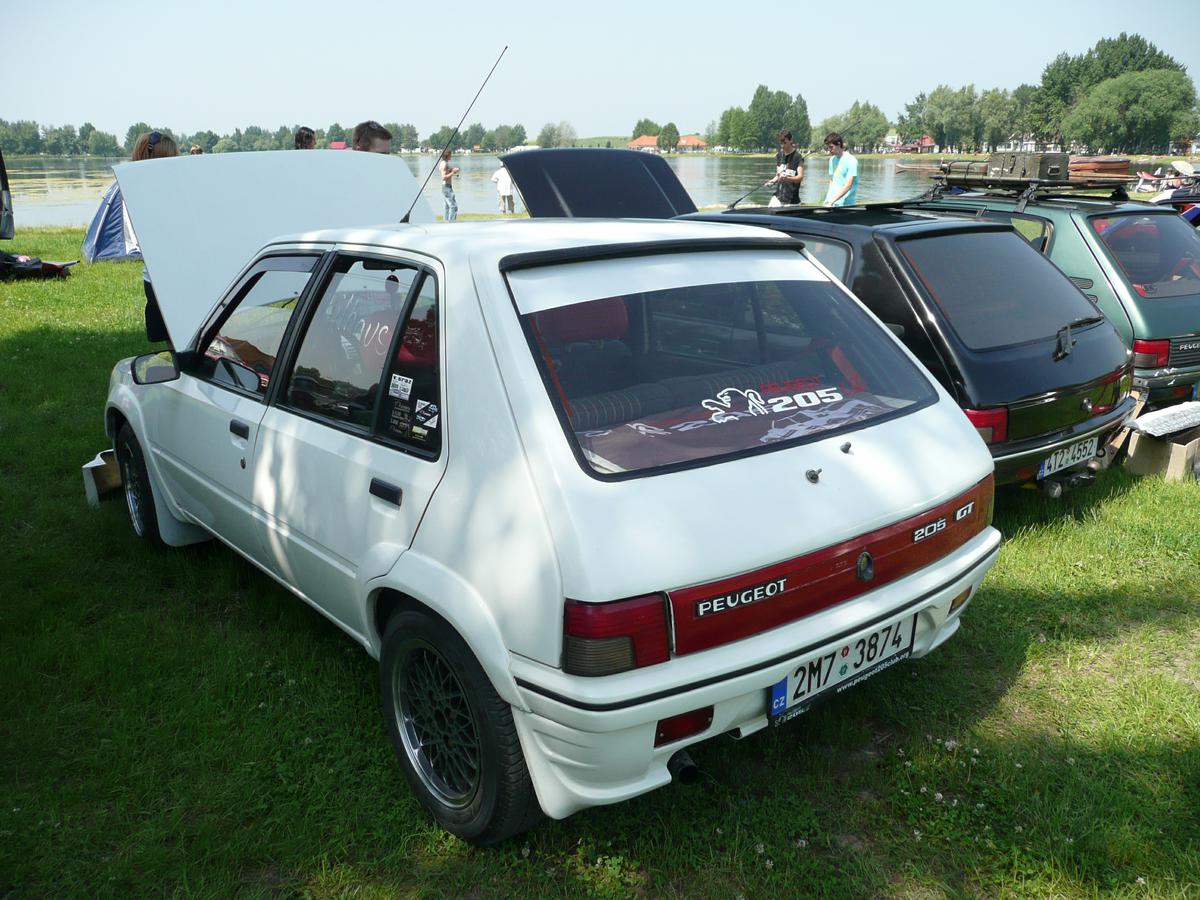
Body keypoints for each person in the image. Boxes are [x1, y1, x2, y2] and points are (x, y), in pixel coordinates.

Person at [130, 131, 179, 343]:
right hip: (165, 282)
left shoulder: (150, 192)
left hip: (162, 280)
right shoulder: (150, 196)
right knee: (181, 343)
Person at [767, 130, 804, 207]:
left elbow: (800, 177)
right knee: (769, 212)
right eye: (781, 143)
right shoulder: (779, 155)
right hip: (778, 197)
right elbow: (778, 176)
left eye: (784, 143)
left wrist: (787, 178)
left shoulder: (798, 157)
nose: (782, 146)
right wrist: (772, 181)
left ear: (791, 140)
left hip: (791, 201)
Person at [822, 132, 858, 207]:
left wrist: (832, 201)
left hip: (845, 204)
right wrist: (828, 199)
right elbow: (832, 181)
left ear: (839, 144)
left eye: (831, 147)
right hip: (830, 202)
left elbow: (848, 185)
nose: (829, 150)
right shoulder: (832, 160)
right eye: (828, 147)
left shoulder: (851, 160)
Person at [438, 149, 460, 221]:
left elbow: (447, 171)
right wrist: (453, 172)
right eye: (450, 154)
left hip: (446, 187)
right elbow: (443, 177)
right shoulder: (444, 164)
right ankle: (451, 223)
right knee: (453, 207)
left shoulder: (444, 163)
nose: (451, 156)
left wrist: (453, 170)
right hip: (447, 187)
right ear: (447, 155)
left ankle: (446, 222)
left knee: (447, 207)